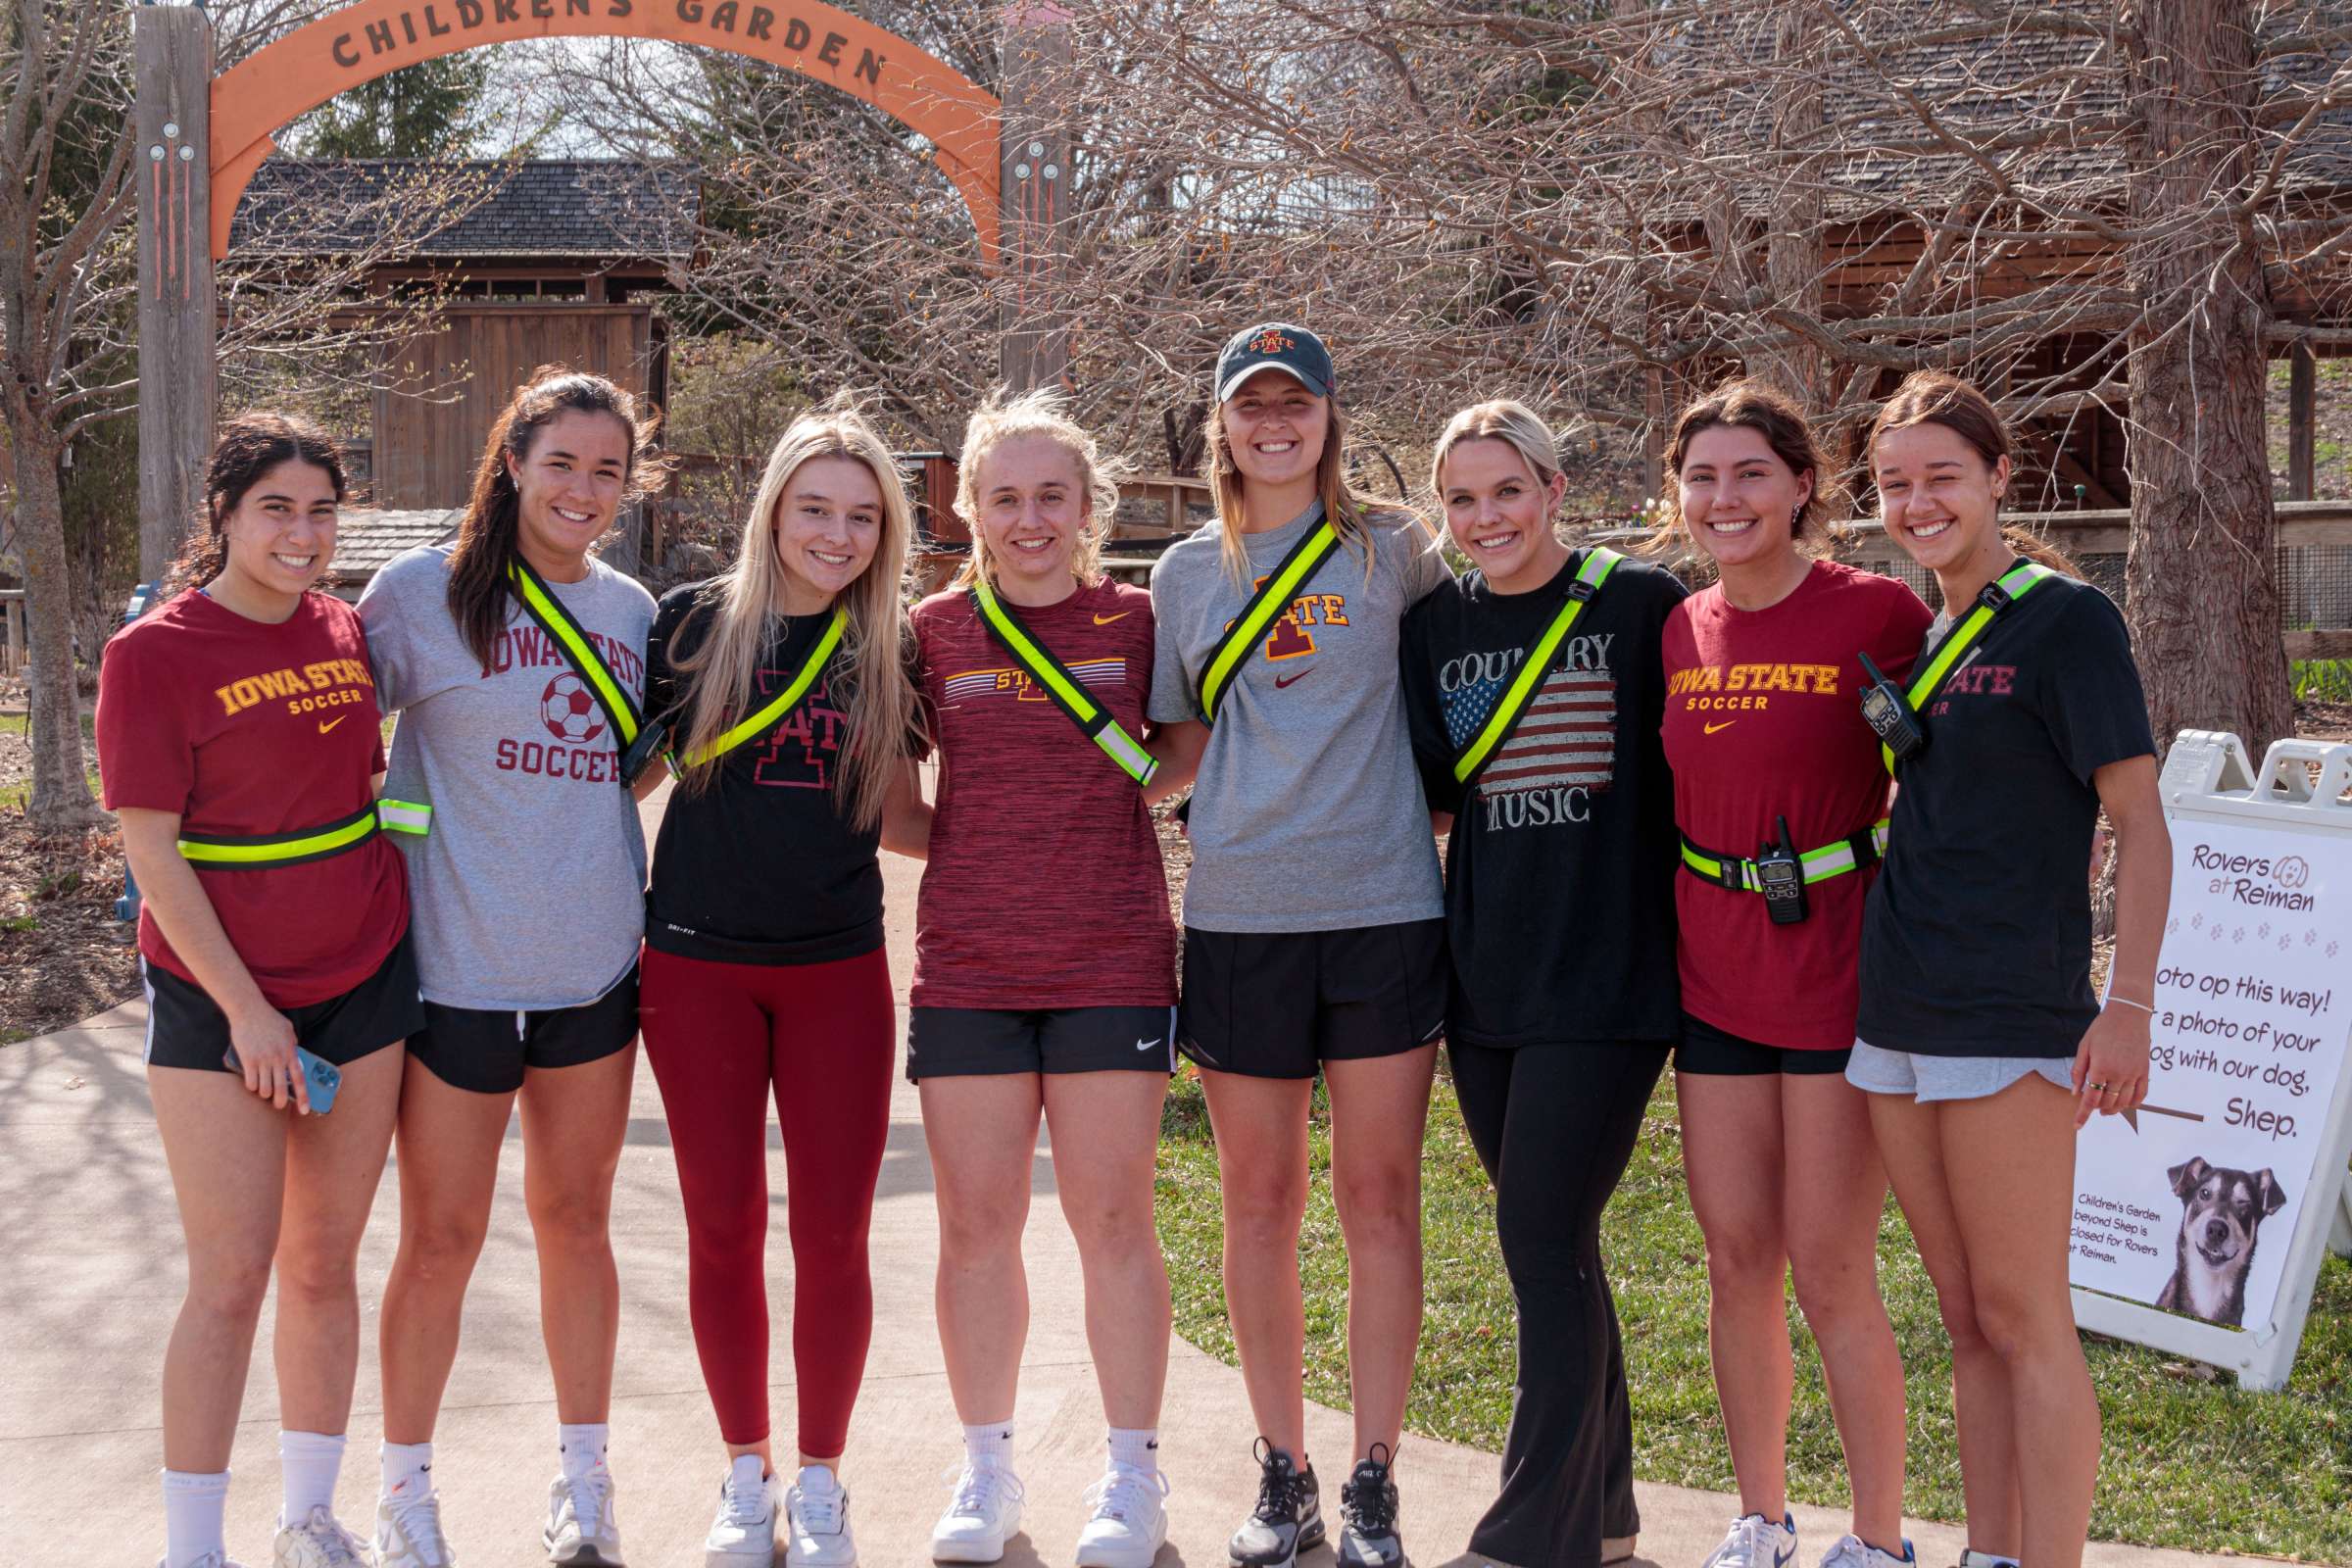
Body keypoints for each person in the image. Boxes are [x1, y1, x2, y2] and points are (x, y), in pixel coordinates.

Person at [1147, 321, 1449, 1568]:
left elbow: (1460, 689)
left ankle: (1376, 1475)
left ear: (1330, 415)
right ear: (1219, 421)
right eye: (1251, 403)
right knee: (1258, 1202)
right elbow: (1176, 750)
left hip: (1384, 909)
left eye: (1297, 402)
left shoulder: (1397, 551)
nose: (1275, 422)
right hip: (1241, 916)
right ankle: (1286, 1470)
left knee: (1379, 1199)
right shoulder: (1180, 574)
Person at [1854, 371, 2169, 1568]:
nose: (1920, 500)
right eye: (1895, 483)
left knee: (2028, 1317)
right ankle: (1990, 1550)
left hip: (2013, 1016)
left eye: (1943, 475)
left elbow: (2141, 823)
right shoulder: (1921, 626)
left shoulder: (2067, 620)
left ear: (1998, 477)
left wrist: (2125, 1005)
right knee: (1966, 1321)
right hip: (1894, 1018)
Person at [100, 416, 418, 1568]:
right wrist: (246, 1011)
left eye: (321, 509)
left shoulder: (343, 625)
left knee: (324, 1266)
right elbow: (152, 851)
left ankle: (309, 1518)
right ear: (224, 515)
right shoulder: (156, 651)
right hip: (219, 1003)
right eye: (276, 508)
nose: (302, 532)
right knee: (230, 1279)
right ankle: (195, 1547)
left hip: (364, 981)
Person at [358, 369, 662, 1568]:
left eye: (607, 472)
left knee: (576, 1221)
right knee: (440, 1238)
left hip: (592, 968)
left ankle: (583, 1485)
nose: (583, 490)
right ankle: (405, 1494)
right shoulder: (416, 595)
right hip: (452, 974)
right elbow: (335, 743)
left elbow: (628, 769)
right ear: (512, 462)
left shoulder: (635, 612)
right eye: (562, 464)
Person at [635, 397, 930, 1568]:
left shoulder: (892, 646)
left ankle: (821, 1483)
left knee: (835, 1237)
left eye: (862, 516)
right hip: (697, 965)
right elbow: (620, 781)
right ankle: (744, 1473)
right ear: (773, 509)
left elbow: (904, 818)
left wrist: (1044, 840)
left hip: (836, 970)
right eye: (816, 507)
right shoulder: (690, 625)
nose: (837, 533)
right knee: (719, 1229)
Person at [906, 389, 1192, 1568]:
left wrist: (1107, 819)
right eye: (1006, 496)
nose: (1030, 519)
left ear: (1089, 507)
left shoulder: (1137, 621)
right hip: (968, 965)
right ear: (969, 505)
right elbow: (887, 786)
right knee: (975, 1225)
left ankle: (1132, 1476)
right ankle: (986, 1466)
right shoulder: (929, 630)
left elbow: (1184, 749)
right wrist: (979, 846)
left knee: (1113, 1218)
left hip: (1113, 955)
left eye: (1052, 496)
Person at [1398, 401, 1686, 1568]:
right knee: (1564, 1242)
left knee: (1538, 1236)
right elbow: (1433, 794)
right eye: (1461, 500)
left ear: (1555, 489)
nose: (1485, 519)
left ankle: (1530, 1536)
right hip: (1488, 982)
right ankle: (1608, 1514)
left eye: (1506, 491)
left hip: (1610, 978)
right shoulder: (1433, 626)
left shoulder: (1640, 607)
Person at [1656, 382, 1927, 1568]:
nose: (1726, 498)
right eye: (1704, 477)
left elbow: (1940, 779)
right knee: (1735, 1255)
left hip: (1833, 971)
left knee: (1829, 1264)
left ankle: (1878, 1538)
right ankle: (1760, 1517)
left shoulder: (1877, 612)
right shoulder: (1679, 627)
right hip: (1712, 974)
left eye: (1750, 473)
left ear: (1802, 484)